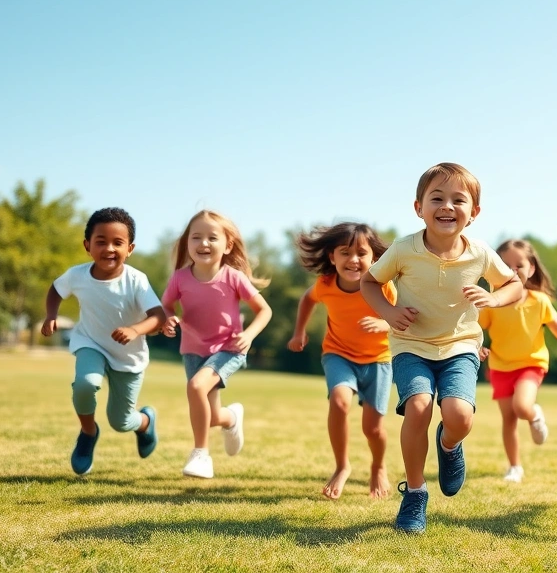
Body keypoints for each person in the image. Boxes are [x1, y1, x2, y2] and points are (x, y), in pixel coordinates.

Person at [361, 162, 522, 534]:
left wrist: (493, 299)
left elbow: (513, 284)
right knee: (418, 407)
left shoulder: (480, 253)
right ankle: (415, 493)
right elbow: (370, 283)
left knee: (459, 416)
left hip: (460, 346)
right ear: (419, 207)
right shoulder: (404, 249)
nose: (447, 206)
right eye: (437, 198)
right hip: (411, 346)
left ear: (474, 213)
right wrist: (389, 310)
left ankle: (449, 446)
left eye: (458, 200)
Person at [42, 207, 166, 475]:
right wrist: (51, 315)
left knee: (121, 422)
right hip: (91, 343)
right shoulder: (77, 275)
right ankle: (88, 433)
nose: (109, 248)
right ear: (88, 245)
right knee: (85, 385)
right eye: (101, 241)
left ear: (130, 248)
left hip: (128, 357)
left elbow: (158, 316)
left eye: (117, 243)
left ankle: (145, 422)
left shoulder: (136, 281)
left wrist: (135, 330)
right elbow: (55, 289)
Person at [288, 222, 396, 499]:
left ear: (374, 258)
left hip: (379, 360)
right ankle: (341, 466)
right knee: (339, 401)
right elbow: (306, 300)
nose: (353, 260)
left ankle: (378, 466)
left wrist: (384, 324)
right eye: (345, 253)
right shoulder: (325, 284)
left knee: (372, 428)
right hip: (339, 353)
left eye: (361, 253)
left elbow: (402, 318)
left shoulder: (384, 286)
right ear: (331, 257)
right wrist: (299, 332)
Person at [161, 210, 272, 479]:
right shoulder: (179, 278)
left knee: (196, 386)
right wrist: (168, 319)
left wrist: (249, 335)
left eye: (212, 237)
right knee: (208, 417)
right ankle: (231, 418)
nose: (204, 244)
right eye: (196, 237)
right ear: (187, 243)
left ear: (228, 245)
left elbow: (264, 311)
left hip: (228, 348)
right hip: (193, 349)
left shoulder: (233, 277)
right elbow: (166, 306)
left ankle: (201, 455)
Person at [478, 239, 557, 483]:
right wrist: (476, 346)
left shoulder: (538, 301)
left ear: (531, 269)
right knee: (508, 420)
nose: (512, 270)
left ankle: (534, 415)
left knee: (521, 407)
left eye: (519, 265)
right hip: (500, 367)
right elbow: (475, 329)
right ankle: (514, 467)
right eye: (505, 265)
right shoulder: (491, 303)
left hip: (531, 364)